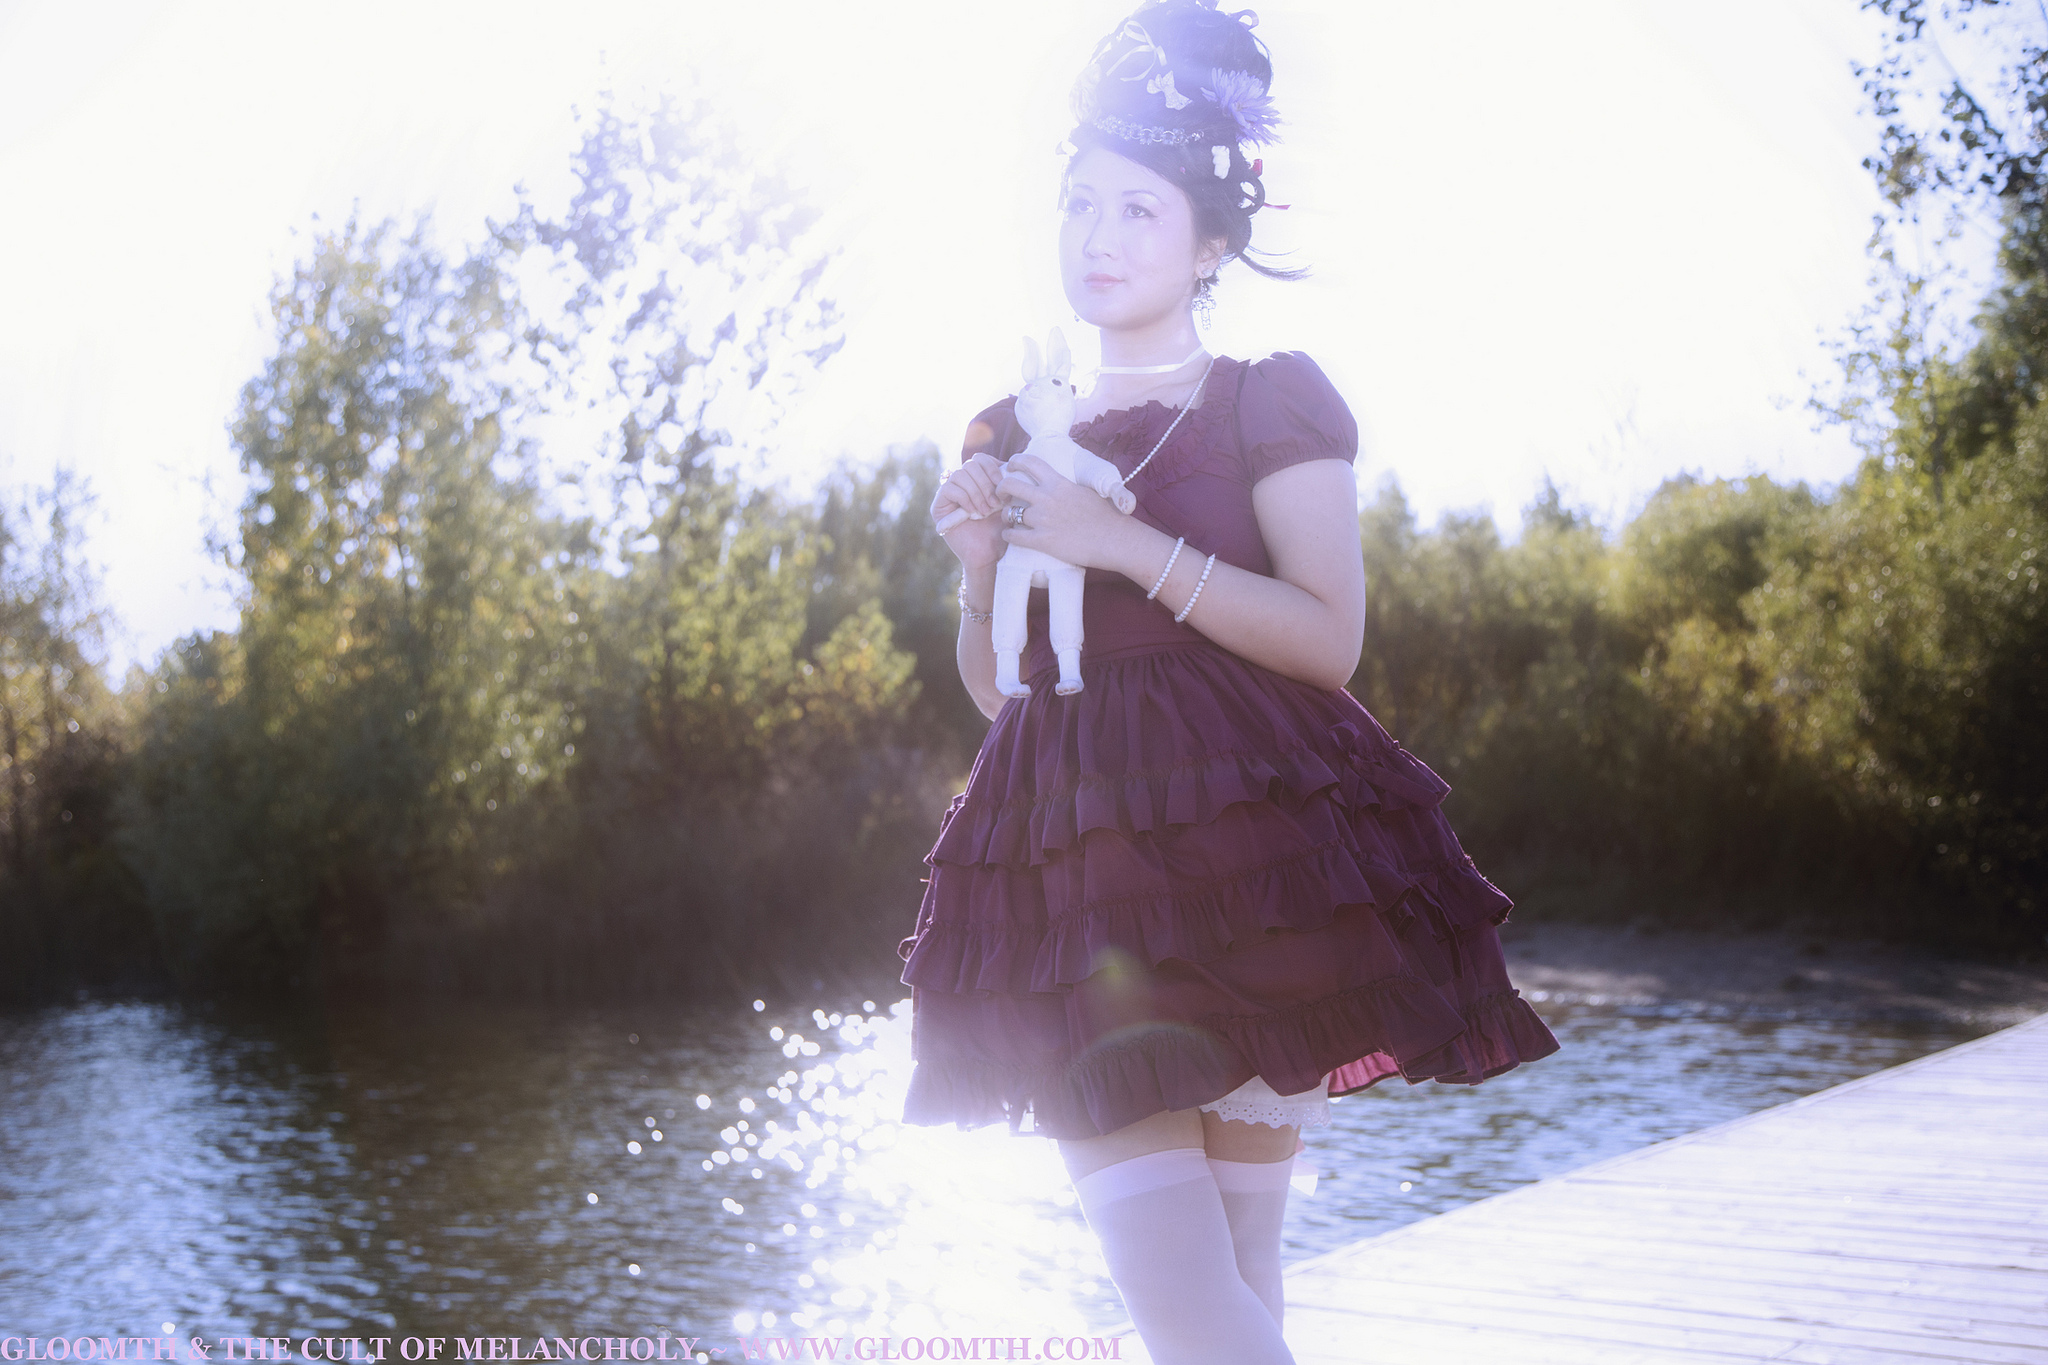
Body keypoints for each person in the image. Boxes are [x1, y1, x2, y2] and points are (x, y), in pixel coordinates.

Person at [897, 3, 1562, 1360]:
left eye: (1138, 210)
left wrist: (1119, 543)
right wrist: (978, 570)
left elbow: (1328, 639)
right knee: (1203, 1306)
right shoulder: (1007, 429)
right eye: (1080, 204)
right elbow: (1004, 699)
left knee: (1224, 1300)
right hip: (1083, 888)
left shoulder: (1269, 400)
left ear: (1209, 244)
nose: (1098, 236)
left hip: (1257, 877)